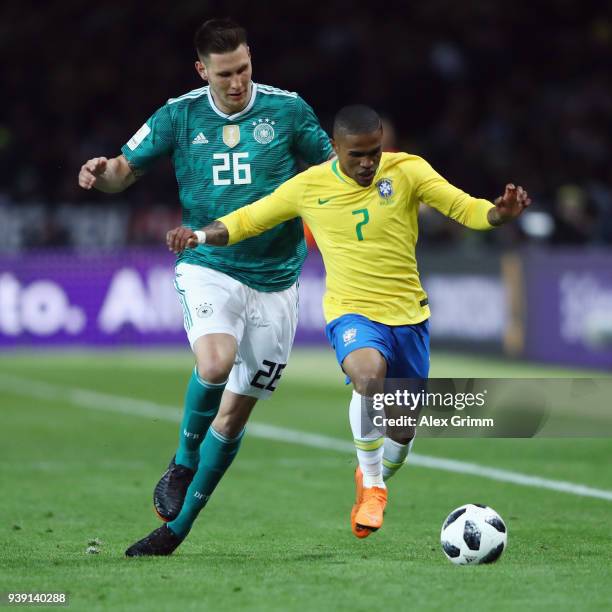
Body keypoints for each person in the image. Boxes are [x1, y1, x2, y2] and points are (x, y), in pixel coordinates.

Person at [166, 104, 531, 542]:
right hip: (351, 312)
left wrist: (497, 213)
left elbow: (464, 208)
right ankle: (374, 486)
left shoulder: (408, 171)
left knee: (402, 428)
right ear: (334, 147)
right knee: (367, 375)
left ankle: (370, 476)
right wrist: (200, 235)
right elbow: (247, 220)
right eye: (356, 154)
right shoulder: (308, 186)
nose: (367, 163)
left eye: (374, 152)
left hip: (409, 316)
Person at [78, 18, 333, 557]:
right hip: (208, 262)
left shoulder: (289, 110)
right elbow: (124, 170)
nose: (237, 82)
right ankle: (182, 460)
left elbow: (333, 174)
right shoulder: (179, 114)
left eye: (243, 69)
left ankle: (177, 529)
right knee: (215, 364)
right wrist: (102, 173)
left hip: (278, 279)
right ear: (203, 71)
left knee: (235, 414)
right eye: (224, 74)